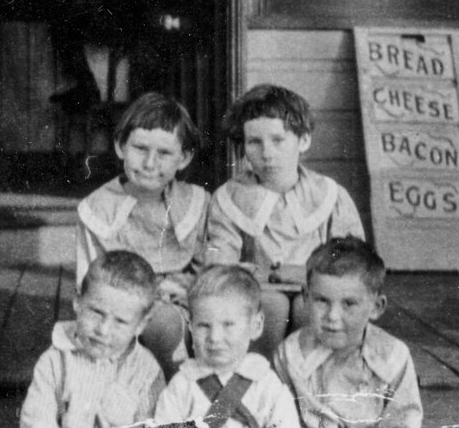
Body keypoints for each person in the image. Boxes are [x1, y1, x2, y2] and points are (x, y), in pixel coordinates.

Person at [205, 84, 365, 356]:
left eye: (278, 140)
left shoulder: (330, 195)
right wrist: (264, 275)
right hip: (257, 292)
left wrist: (305, 275)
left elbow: (353, 261)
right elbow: (219, 263)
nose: (267, 153)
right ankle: (260, 384)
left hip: (318, 290)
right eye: (255, 142)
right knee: (271, 306)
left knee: (310, 309)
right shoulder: (230, 198)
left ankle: (312, 385)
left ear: (303, 141)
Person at [76, 92, 207, 378]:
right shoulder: (98, 209)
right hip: (121, 305)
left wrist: (186, 290)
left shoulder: (196, 203)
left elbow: (207, 268)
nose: (150, 163)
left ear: (183, 158)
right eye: (140, 148)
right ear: (121, 146)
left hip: (189, 300)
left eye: (164, 153)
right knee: (159, 322)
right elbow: (88, 282)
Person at [273, 237, 422, 428]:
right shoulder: (291, 354)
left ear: (376, 307)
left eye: (349, 303)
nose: (333, 316)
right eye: (322, 301)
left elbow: (404, 421)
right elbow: (278, 419)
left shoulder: (392, 357)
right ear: (306, 298)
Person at [20, 250, 164, 428]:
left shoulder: (145, 371)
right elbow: (36, 420)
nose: (103, 330)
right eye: (96, 312)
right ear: (77, 302)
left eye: (120, 321)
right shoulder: (54, 362)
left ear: (141, 325)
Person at [154, 265, 300, 428]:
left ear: (256, 326)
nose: (214, 338)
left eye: (228, 325)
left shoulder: (268, 387)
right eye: (204, 325)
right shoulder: (182, 386)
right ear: (191, 325)